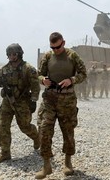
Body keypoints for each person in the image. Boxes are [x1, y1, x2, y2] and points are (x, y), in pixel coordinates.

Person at [35, 32, 87, 179]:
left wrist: (72, 79)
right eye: (52, 47)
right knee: (44, 130)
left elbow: (83, 73)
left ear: (63, 43)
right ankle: (46, 165)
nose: (55, 50)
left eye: (57, 47)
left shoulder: (72, 56)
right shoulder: (47, 56)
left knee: (68, 131)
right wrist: (42, 80)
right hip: (49, 99)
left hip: (67, 99)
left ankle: (68, 162)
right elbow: (39, 74)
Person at [0, 43, 40, 164]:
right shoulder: (5, 69)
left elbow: (35, 86)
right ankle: (5, 153)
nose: (11, 56)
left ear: (19, 54)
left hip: (22, 102)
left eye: (13, 54)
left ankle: (37, 137)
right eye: (9, 54)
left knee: (25, 126)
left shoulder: (28, 69)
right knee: (1, 125)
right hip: (7, 102)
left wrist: (34, 100)